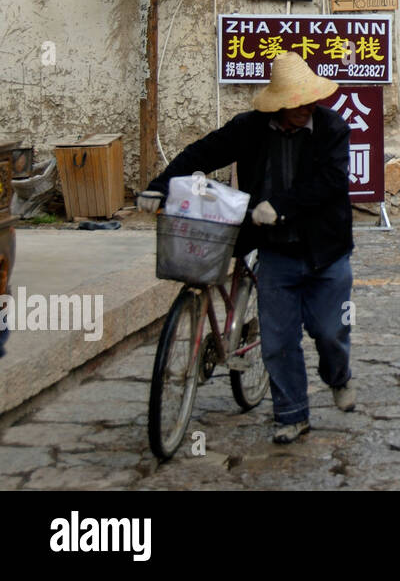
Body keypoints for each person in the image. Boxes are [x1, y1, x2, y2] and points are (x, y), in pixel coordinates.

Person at [139, 52, 354, 444]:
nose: (304, 109)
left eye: (309, 101)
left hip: (325, 249)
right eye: (297, 103)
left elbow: (332, 182)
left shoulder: (332, 128)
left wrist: (282, 206)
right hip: (273, 250)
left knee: (329, 332)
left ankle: (338, 377)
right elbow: (201, 154)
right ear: (280, 103)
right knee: (278, 341)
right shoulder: (250, 128)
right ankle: (291, 414)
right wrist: (160, 185)